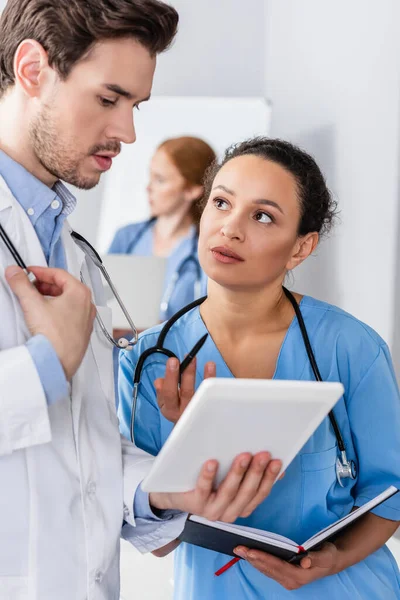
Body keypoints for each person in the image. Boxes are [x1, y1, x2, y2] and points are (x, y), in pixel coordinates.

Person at [0, 2, 281, 598]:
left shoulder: (76, 251)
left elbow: (83, 443)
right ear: (32, 69)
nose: (128, 132)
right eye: (109, 99)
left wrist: (159, 490)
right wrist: (49, 361)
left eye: (136, 106)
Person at [118, 137, 400, 599]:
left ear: (300, 248)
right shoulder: (151, 362)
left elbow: (390, 497)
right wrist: (187, 437)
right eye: (222, 202)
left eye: (262, 215)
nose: (230, 228)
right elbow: (158, 541)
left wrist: (331, 560)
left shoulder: (351, 348)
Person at [108, 136, 215, 321]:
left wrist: (157, 330)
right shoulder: (127, 238)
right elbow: (100, 300)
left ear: (192, 190)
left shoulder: (206, 252)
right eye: (150, 176)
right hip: (117, 349)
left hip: (169, 350)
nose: (148, 187)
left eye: (160, 180)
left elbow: (207, 325)